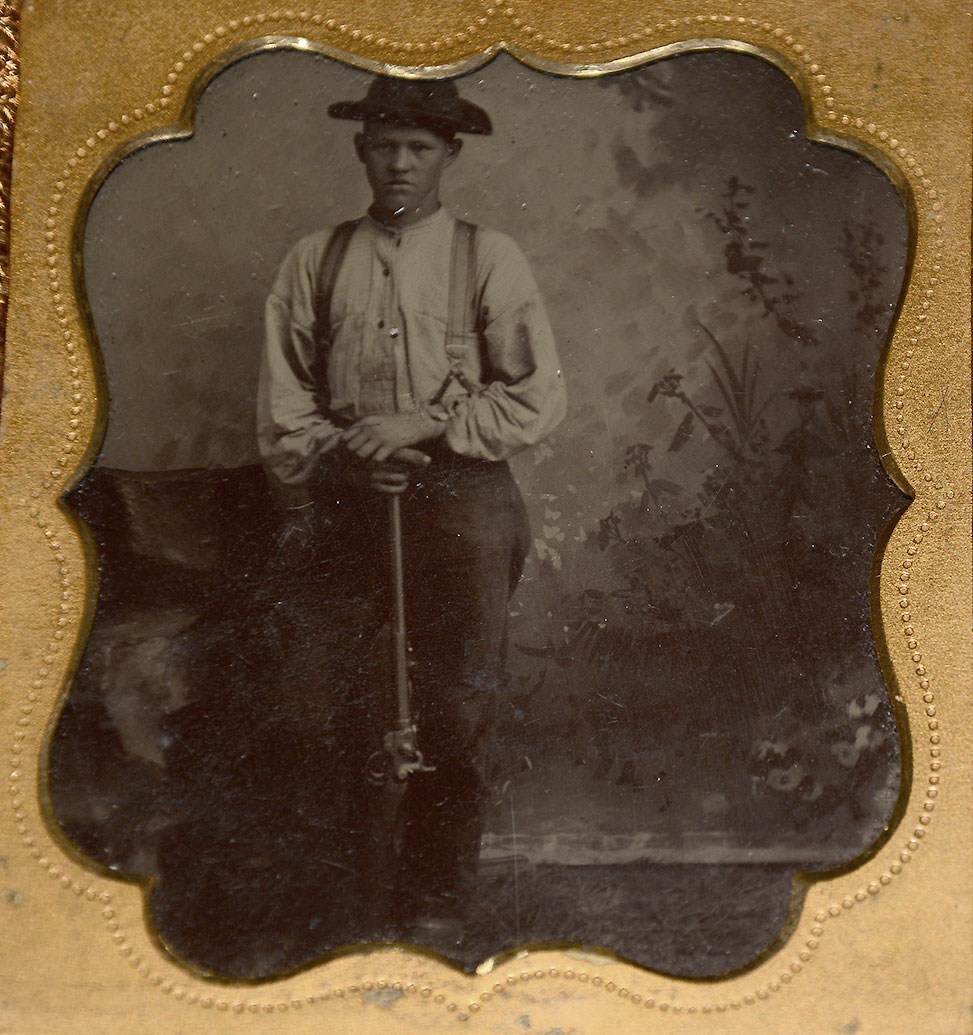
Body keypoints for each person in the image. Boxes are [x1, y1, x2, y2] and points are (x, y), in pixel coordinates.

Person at [256, 75, 565, 949]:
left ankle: (433, 894)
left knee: (454, 702)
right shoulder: (313, 259)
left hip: (462, 499)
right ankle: (343, 890)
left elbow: (536, 397)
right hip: (346, 493)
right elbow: (283, 412)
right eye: (385, 145)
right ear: (361, 149)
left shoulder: (487, 255)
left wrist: (424, 427)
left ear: (448, 155)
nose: (400, 163)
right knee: (322, 694)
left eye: (419, 148)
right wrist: (349, 459)